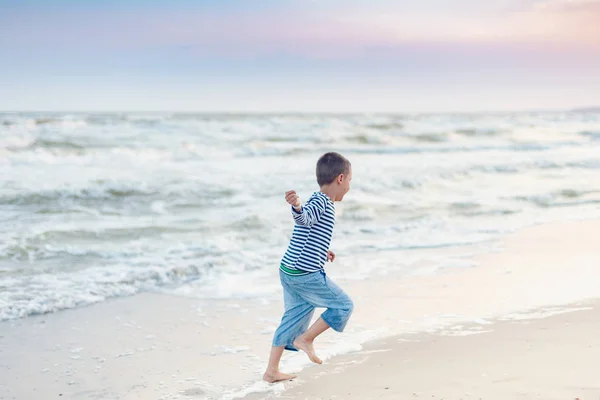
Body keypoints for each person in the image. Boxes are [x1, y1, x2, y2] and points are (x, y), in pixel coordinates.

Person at [263, 152, 354, 383]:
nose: (349, 187)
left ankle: (271, 371)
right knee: (343, 305)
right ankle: (306, 339)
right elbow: (305, 219)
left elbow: (310, 232)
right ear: (341, 179)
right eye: (350, 181)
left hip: (289, 270)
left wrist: (323, 250)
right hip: (305, 275)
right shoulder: (321, 200)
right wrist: (297, 207)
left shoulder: (323, 201)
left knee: (292, 317)